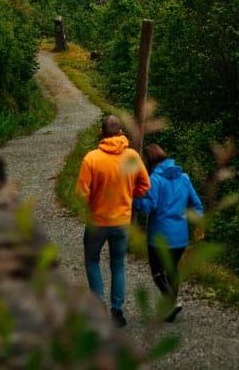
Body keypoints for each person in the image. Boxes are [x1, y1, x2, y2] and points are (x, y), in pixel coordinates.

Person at [75, 114, 150, 327]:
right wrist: (128, 194)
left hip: (97, 220)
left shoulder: (91, 158)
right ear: (120, 133)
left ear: (101, 132)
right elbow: (145, 186)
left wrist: (91, 205)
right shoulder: (132, 157)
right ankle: (117, 311)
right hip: (122, 221)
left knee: (92, 261)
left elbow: (81, 192)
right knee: (117, 265)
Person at [133, 143, 204, 322]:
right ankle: (170, 310)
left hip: (159, 237)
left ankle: (172, 303)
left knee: (157, 272)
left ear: (148, 161)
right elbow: (196, 204)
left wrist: (132, 199)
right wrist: (199, 226)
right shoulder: (184, 178)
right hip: (180, 237)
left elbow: (149, 206)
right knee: (172, 270)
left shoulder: (155, 180)